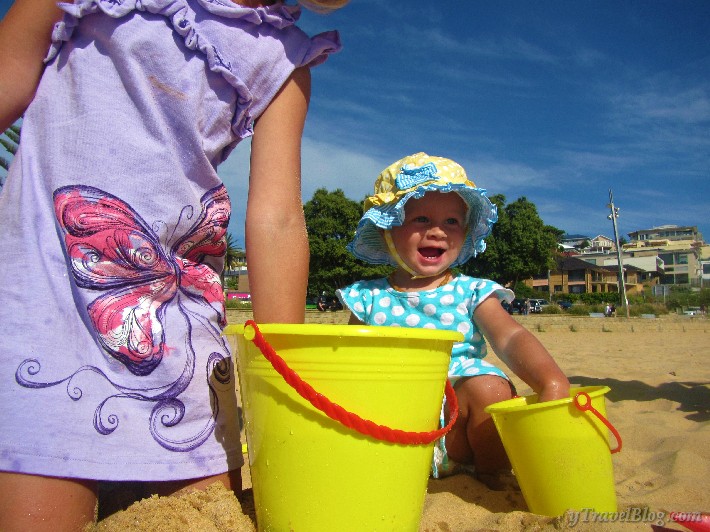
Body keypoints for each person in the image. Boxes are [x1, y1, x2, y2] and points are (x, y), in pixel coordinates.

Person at [0, 0, 346, 529]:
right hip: (43, 292)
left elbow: (275, 218)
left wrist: (283, 372)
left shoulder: (281, 59)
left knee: (207, 513)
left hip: (176, 309)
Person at [337, 153, 570, 489]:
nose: (437, 232)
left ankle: (492, 475)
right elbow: (348, 363)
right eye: (419, 219)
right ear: (388, 229)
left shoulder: (472, 291)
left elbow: (509, 338)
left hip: (463, 433)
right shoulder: (368, 298)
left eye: (451, 222)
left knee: (490, 387)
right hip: (396, 427)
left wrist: (551, 382)